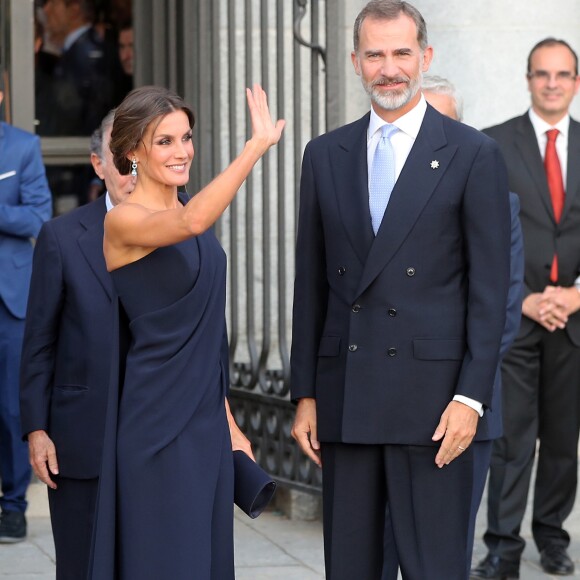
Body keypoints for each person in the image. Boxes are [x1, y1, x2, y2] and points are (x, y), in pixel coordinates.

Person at [290, 2, 511, 578]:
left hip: (435, 407)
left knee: (433, 567)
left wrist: (470, 399)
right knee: (351, 567)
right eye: (375, 55)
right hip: (349, 397)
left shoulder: (473, 154)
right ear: (356, 61)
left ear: (424, 57)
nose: (389, 68)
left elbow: (489, 292)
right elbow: (311, 284)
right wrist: (305, 393)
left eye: (401, 53)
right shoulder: (324, 155)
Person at [88, 84, 284, 579]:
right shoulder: (124, 222)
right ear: (132, 151)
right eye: (165, 141)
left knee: (204, 561)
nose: (182, 152)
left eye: (186, 138)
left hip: (203, 424)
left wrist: (231, 426)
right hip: (155, 424)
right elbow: (193, 221)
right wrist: (254, 148)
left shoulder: (192, 210)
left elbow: (204, 342)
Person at [379, 75, 525, 580]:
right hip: (383, 407)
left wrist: (464, 394)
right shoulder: (371, 199)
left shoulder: (499, 202)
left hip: (465, 409)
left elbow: (502, 311)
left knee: (444, 561)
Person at [471, 38, 580, 580]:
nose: (552, 83)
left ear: (576, 82)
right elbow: (481, 237)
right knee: (511, 440)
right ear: (528, 79)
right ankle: (502, 549)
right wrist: (526, 299)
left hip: (576, 319)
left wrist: (577, 295)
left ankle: (553, 538)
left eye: (563, 74)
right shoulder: (493, 146)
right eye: (543, 74)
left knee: (563, 439)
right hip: (518, 317)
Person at [19, 110, 134, 579]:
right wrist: (37, 429)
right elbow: (40, 341)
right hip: (80, 441)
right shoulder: (61, 237)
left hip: (160, 436)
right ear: (97, 164)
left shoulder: (191, 230)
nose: (134, 167)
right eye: (120, 156)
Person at [0, 88, 52, 542]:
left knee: (11, 408)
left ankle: (13, 505)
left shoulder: (22, 146)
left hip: (9, 298)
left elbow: (40, 217)